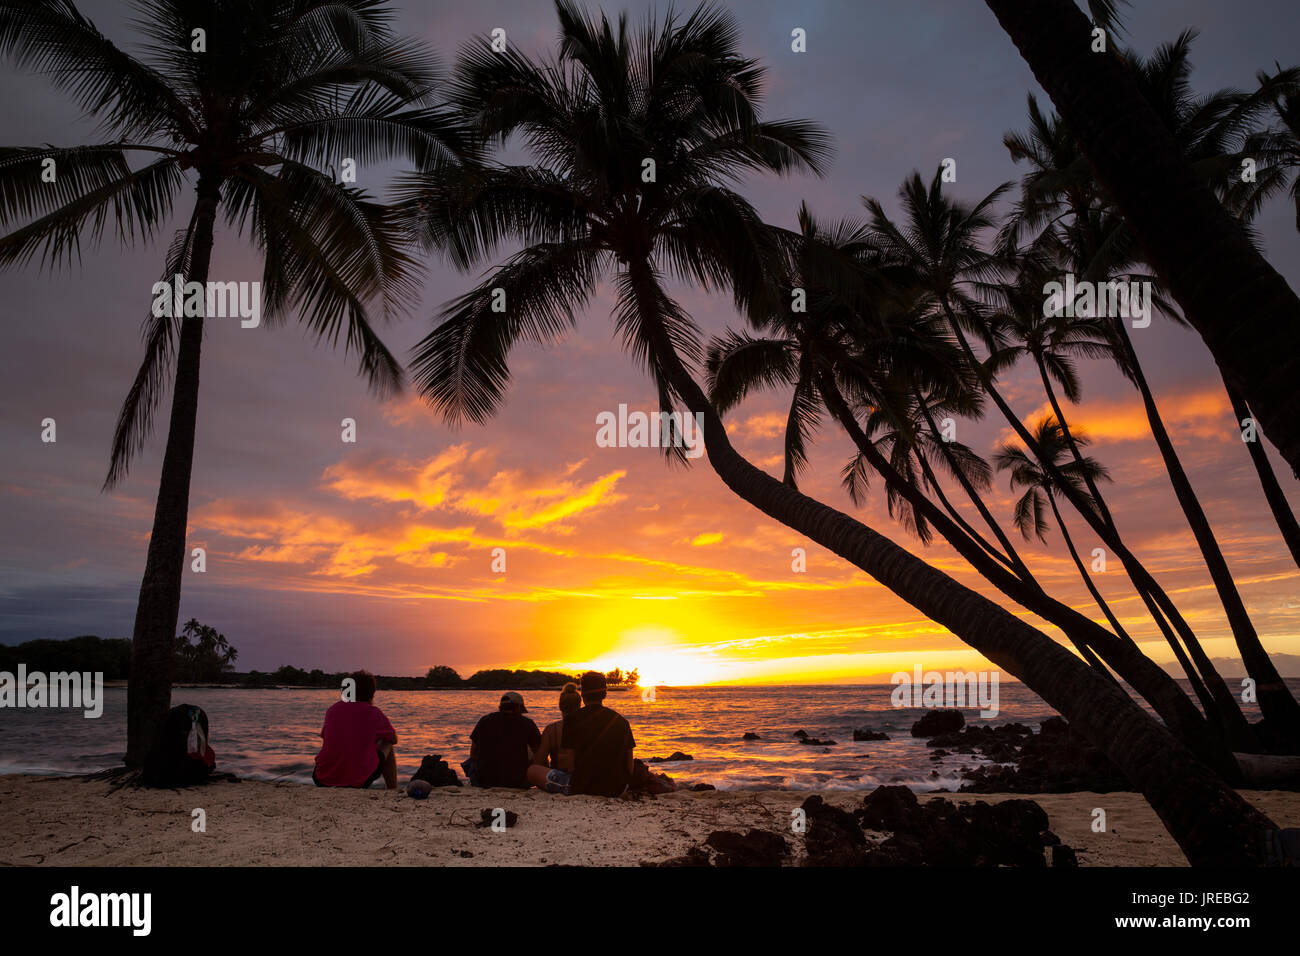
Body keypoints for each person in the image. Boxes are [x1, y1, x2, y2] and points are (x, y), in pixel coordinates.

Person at [313, 670, 397, 789]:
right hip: (357, 781)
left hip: (321, 778)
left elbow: (327, 737)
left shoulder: (333, 710)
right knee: (387, 741)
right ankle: (393, 788)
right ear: (371, 693)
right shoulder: (373, 712)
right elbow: (393, 739)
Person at [563, 671, 636, 797]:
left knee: (533, 771)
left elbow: (570, 765)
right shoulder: (621, 721)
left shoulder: (571, 719)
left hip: (584, 787)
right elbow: (630, 766)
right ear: (605, 694)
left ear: (582, 694)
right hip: (617, 788)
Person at [469, 691, 541, 789]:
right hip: (516, 781)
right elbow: (538, 752)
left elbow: (473, 751)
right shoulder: (528, 724)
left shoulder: (485, 720)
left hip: (485, 780)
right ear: (519, 707)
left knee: (469, 762)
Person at [526, 682, 582, 794]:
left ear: (560, 706)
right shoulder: (589, 727)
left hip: (562, 779)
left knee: (532, 770)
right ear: (580, 705)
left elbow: (538, 761)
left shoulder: (552, 729)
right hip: (586, 777)